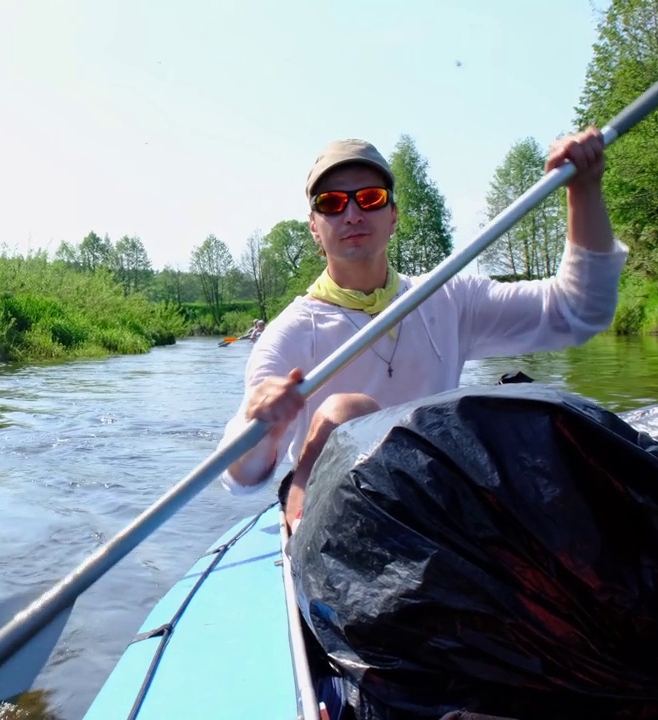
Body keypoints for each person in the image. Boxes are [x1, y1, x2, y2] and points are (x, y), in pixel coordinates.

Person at [217, 129, 627, 531]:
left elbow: (578, 312)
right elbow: (239, 479)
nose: (353, 214)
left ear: (393, 216)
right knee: (345, 411)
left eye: (371, 199)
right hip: (337, 529)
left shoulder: (447, 298)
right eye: (333, 203)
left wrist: (584, 190)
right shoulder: (288, 335)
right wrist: (263, 426)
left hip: (432, 513)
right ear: (314, 227)